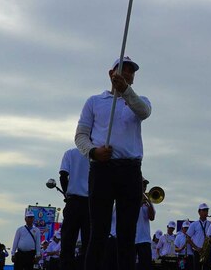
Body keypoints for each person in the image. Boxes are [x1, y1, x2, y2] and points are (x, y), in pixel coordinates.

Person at [74, 56, 151, 270]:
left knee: (127, 233)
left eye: (131, 71)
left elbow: (144, 112)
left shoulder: (139, 100)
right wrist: (93, 152)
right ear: (112, 73)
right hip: (102, 169)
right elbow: (80, 136)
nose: (128, 73)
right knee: (98, 230)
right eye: (123, 70)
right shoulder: (95, 101)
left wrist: (126, 90)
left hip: (130, 169)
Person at [59, 146, 90, 270]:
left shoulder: (70, 153)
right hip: (89, 203)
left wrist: (67, 193)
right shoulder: (96, 154)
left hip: (73, 201)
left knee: (68, 241)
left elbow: (63, 175)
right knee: (89, 242)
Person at [135, 181, 156, 270]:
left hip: (145, 240)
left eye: (145, 186)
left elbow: (151, 217)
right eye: (142, 186)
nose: (144, 188)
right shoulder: (130, 200)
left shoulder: (147, 202)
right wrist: (139, 203)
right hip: (132, 239)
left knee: (146, 266)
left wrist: (149, 203)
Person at [188, 203, 211, 270]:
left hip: (207, 251)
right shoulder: (194, 224)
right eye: (203, 210)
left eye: (206, 210)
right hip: (197, 251)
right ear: (199, 212)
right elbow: (188, 238)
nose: (205, 212)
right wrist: (197, 248)